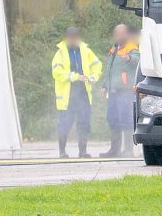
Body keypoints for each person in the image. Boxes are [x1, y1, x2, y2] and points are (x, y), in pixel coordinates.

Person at [51, 27, 102, 158]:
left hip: (84, 94)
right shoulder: (60, 53)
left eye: (75, 37)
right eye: (70, 37)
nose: (73, 40)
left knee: (84, 123)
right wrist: (75, 76)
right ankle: (62, 152)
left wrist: (93, 77)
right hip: (67, 97)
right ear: (66, 38)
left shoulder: (86, 51)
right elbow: (57, 73)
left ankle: (83, 151)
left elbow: (97, 65)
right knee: (64, 124)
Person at [101, 24, 140, 158]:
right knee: (113, 119)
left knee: (126, 120)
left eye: (121, 33)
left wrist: (130, 58)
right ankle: (114, 150)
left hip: (125, 91)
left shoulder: (131, 47)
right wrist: (105, 85)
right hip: (113, 91)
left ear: (126, 34)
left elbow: (138, 60)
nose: (118, 36)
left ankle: (128, 150)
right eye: (116, 33)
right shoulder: (114, 49)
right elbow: (109, 69)